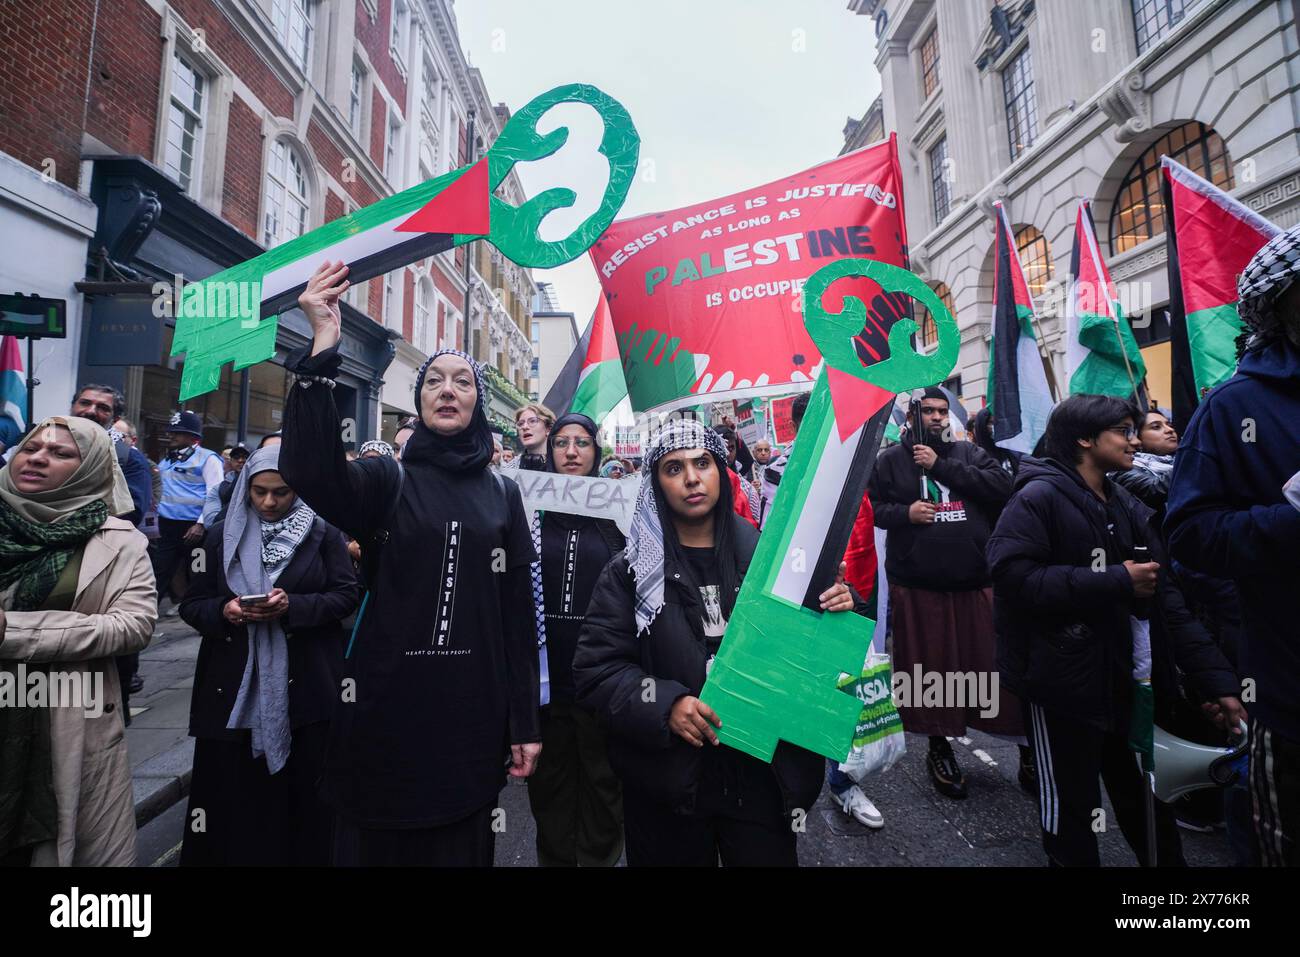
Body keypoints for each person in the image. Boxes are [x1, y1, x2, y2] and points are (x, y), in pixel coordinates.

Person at [279, 260, 541, 866]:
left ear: (479, 404)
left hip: (469, 717)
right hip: (382, 714)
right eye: (434, 382)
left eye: (462, 382)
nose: (448, 389)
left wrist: (526, 721)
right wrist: (322, 344)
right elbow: (310, 471)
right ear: (417, 401)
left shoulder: (503, 493)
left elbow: (518, 620)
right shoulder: (383, 478)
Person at [573, 420, 859, 866]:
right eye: (673, 468)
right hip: (669, 784)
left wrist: (836, 606)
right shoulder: (628, 572)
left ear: (721, 473)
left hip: (762, 777)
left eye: (702, 463)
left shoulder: (778, 562)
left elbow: (812, 662)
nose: (690, 477)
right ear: (656, 484)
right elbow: (598, 671)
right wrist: (665, 707)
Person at [987, 395, 1244, 867]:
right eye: (1123, 431)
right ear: (1085, 439)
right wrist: (1114, 580)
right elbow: (1012, 577)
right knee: (1071, 815)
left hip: (1128, 686)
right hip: (1061, 687)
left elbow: (1167, 604)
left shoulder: (1127, 502)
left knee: (1147, 804)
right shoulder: (1037, 497)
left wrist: (1218, 681)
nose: (1133, 441)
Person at [1166, 224, 1300, 867]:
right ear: (1282, 305)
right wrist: (1289, 519)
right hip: (1289, 692)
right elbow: (1190, 537)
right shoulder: (1232, 408)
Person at [179, 445, 361, 865]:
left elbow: (345, 596)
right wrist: (224, 611)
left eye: (281, 492)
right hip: (231, 693)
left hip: (307, 692)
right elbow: (192, 604)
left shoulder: (324, 533)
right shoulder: (217, 535)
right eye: (259, 492)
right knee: (233, 804)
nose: (268, 502)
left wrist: (292, 606)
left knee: (301, 806)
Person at [0, 416, 156, 865]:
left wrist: (11, 632)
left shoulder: (119, 542)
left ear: (90, 468)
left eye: (61, 453)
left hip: (65, 715)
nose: (38, 458)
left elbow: (133, 625)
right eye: (31, 448)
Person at [869, 387, 1024, 798]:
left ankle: (1023, 750)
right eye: (931, 411)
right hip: (919, 587)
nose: (938, 417)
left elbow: (1001, 488)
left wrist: (940, 465)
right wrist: (904, 513)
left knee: (990, 671)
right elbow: (874, 508)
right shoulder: (889, 461)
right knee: (931, 675)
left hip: (974, 583)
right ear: (913, 414)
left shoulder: (968, 453)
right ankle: (939, 747)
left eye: (943, 411)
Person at [757, 391, 884, 829]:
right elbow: (771, 534)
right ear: (803, 424)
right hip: (801, 598)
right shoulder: (779, 470)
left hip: (860, 589)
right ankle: (788, 780)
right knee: (807, 689)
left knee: (851, 687)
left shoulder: (863, 457)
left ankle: (844, 780)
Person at [525, 412, 626, 866]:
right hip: (546, 684)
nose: (570, 452)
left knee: (605, 791)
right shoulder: (530, 509)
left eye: (582, 443)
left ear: (595, 452)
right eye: (562, 443)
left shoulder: (618, 514)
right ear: (549, 451)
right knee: (550, 792)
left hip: (603, 681)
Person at [153, 411, 223, 615]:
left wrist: (201, 524)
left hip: (194, 529)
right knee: (160, 570)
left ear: (193, 437)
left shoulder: (208, 459)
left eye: (178, 432)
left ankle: (201, 610)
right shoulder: (167, 459)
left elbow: (214, 493)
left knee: (199, 569)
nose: (171, 435)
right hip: (167, 527)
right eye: (171, 431)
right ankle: (146, 614)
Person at [713, 426, 759, 528]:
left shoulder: (748, 491)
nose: (727, 453)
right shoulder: (703, 487)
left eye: (731, 448)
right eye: (722, 447)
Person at [969, 406, 1023, 482]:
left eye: (997, 422)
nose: (995, 426)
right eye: (991, 423)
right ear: (981, 426)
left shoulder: (1009, 452)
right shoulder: (977, 458)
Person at [201, 443, 249, 528]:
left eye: (245, 456)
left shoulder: (262, 484)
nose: (241, 460)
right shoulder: (219, 488)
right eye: (236, 457)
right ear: (230, 461)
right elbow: (210, 522)